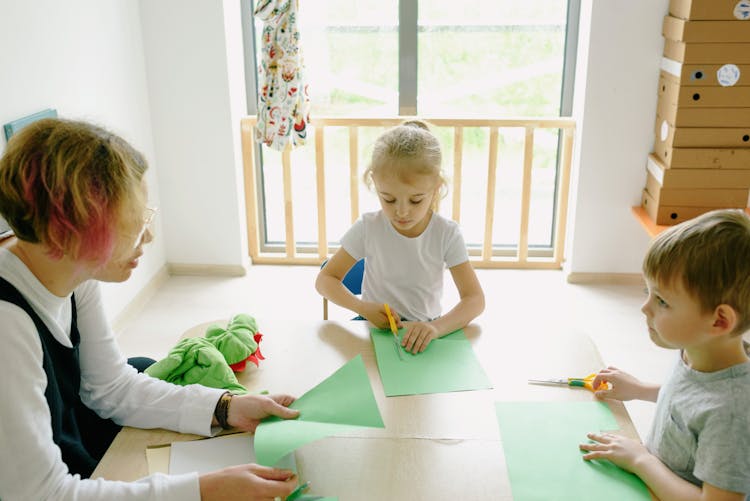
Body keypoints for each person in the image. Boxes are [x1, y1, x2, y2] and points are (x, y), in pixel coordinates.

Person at [0, 118, 301, 501]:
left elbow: (109, 386)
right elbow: (40, 495)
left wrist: (227, 407)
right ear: (69, 233)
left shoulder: (72, 268)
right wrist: (203, 491)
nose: (149, 235)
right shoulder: (7, 326)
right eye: (132, 222)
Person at [579, 209, 750, 500]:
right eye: (648, 291)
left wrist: (640, 461)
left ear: (719, 321)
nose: (645, 308)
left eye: (661, 301)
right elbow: (694, 402)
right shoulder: (697, 349)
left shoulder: (734, 413)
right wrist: (641, 390)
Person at [315, 120, 485, 353]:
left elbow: (475, 299)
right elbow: (325, 280)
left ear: (436, 186)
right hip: (372, 329)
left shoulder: (447, 233)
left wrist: (436, 328)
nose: (402, 212)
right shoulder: (368, 227)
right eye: (389, 199)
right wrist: (362, 307)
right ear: (374, 182)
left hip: (426, 333)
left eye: (416, 200)